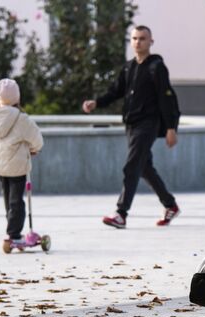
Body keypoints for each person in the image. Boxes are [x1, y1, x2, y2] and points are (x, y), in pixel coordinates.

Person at [82, 25, 180, 229]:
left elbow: (166, 98)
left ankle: (121, 213)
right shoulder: (129, 67)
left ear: (151, 42)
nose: (138, 42)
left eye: (142, 38)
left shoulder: (157, 67)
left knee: (131, 166)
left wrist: (171, 127)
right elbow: (116, 91)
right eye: (134, 38)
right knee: (144, 167)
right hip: (132, 123)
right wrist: (97, 102)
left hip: (148, 123)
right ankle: (170, 205)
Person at [0, 78, 44, 247]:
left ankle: (12, 229)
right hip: (16, 166)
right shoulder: (21, 118)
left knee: (8, 199)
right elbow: (36, 138)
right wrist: (34, 149)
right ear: (17, 98)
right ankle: (14, 234)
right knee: (17, 201)